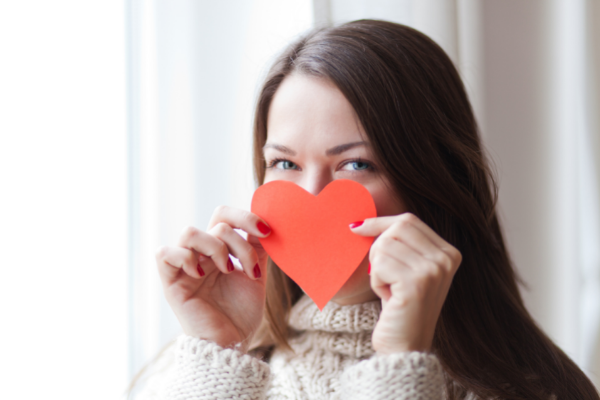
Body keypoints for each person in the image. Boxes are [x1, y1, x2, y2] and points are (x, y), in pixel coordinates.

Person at [133, 20, 600, 400]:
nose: (312, 195)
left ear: (435, 179)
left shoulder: (528, 390)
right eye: (285, 163)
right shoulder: (190, 368)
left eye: (356, 164)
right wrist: (219, 350)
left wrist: (399, 364)